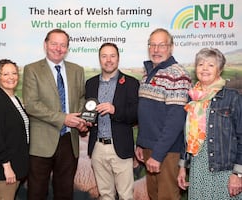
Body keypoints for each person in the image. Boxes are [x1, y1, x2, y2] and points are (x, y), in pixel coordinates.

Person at [22, 28, 88, 199]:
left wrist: (80, 118)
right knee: (37, 192)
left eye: (63, 45)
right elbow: (31, 104)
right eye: (54, 44)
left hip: (69, 140)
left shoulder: (77, 70)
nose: (58, 48)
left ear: (67, 48)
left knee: (65, 192)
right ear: (45, 45)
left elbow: (81, 98)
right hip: (42, 143)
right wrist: (64, 118)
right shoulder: (32, 69)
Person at [177, 48, 242, 199]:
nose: (204, 68)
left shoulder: (232, 98)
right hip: (198, 169)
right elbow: (186, 137)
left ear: (219, 70)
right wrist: (182, 167)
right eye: (200, 64)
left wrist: (238, 173)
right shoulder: (192, 99)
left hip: (225, 171)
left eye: (211, 65)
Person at [135, 28, 192, 200]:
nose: (156, 50)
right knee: (153, 195)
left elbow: (175, 121)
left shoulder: (178, 75)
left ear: (171, 48)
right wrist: (141, 143)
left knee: (167, 197)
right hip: (149, 148)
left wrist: (158, 154)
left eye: (161, 45)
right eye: (152, 45)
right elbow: (146, 114)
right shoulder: (148, 73)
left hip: (167, 152)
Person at [85, 42, 139, 199]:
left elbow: (135, 115)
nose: (108, 60)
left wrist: (115, 110)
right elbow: (89, 112)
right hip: (97, 147)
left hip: (120, 148)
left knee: (126, 195)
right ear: (99, 59)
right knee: (105, 195)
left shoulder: (131, 83)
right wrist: (86, 123)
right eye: (104, 56)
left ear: (118, 58)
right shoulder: (91, 83)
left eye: (112, 56)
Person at [0, 59, 29, 200]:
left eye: (14, 73)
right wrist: (7, 167)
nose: (11, 77)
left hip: (16, 165)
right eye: (5, 74)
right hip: (3, 169)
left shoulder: (14, 99)